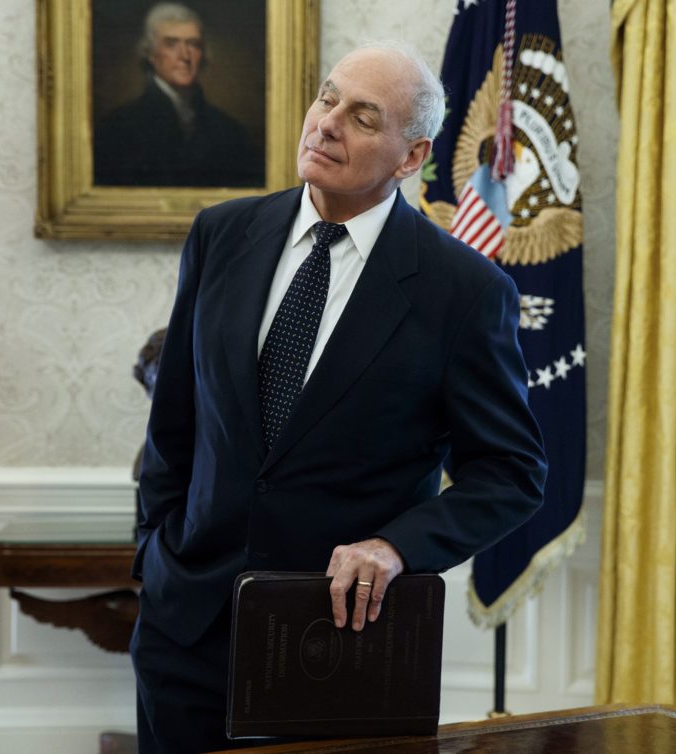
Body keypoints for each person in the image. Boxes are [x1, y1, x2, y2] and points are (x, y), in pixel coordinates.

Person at [131, 41, 547, 754]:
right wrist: (154, 557)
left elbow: (512, 473)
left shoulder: (464, 291)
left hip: (342, 648)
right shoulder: (221, 234)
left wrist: (396, 547)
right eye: (328, 97)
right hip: (185, 634)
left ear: (411, 157)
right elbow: (174, 424)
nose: (326, 123)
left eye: (362, 117)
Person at [93, 3, 262, 187]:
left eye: (193, 44)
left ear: (203, 54)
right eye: (171, 44)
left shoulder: (230, 131)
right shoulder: (118, 128)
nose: (185, 56)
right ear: (150, 53)